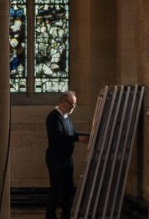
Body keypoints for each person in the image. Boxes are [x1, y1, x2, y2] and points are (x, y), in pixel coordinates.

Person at [45, 90, 89, 219]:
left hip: (67, 159)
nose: (73, 107)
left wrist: (85, 137)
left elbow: (72, 134)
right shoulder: (53, 117)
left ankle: (66, 215)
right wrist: (78, 139)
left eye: (75, 104)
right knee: (56, 188)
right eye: (72, 104)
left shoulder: (67, 117)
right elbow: (59, 136)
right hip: (56, 158)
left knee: (68, 189)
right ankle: (50, 216)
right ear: (63, 102)